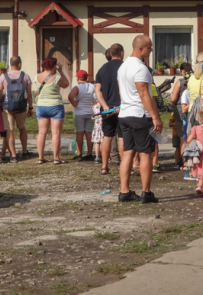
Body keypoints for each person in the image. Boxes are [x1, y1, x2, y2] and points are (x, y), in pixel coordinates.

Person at [117, 35, 162, 203]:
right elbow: (144, 94)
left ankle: (124, 191)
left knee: (128, 153)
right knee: (145, 154)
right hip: (139, 114)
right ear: (140, 49)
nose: (151, 50)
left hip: (125, 113)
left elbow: (121, 91)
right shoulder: (141, 68)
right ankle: (146, 192)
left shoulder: (123, 67)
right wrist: (156, 117)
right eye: (149, 47)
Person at [0, 56, 33, 161]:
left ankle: (13, 155)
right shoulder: (25, 76)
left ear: (10, 64)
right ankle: (25, 151)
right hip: (21, 107)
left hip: (8, 108)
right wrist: (31, 108)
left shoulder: (3, 76)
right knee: (22, 128)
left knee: (9, 131)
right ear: (19, 64)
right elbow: (29, 94)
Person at [95, 44, 125, 175]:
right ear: (122, 53)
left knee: (107, 136)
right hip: (123, 108)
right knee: (122, 137)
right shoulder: (125, 67)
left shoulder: (102, 69)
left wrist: (106, 107)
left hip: (107, 109)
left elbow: (97, 90)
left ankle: (104, 166)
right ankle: (125, 166)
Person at [35, 57, 69, 164]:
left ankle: (40, 158)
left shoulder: (37, 76)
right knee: (56, 133)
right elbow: (66, 84)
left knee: (41, 133)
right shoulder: (56, 77)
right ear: (54, 65)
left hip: (41, 106)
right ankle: (56, 158)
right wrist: (61, 71)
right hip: (55, 106)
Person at [68, 69, 95, 161]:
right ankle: (90, 153)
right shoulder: (92, 86)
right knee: (89, 133)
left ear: (79, 78)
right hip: (90, 112)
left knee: (79, 133)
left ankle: (79, 154)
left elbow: (70, 96)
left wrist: (74, 103)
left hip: (79, 112)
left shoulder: (77, 87)